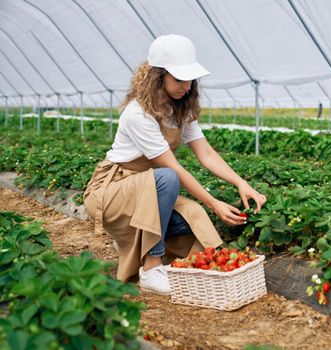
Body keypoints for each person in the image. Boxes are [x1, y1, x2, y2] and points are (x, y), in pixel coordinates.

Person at [83, 34, 267, 295]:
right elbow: (174, 170)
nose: (187, 86)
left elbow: (206, 153)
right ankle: (151, 267)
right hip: (112, 191)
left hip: (147, 190)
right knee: (168, 177)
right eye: (179, 79)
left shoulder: (181, 109)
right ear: (158, 77)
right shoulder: (138, 113)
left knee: (194, 217)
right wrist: (214, 203)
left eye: (190, 79)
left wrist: (241, 183)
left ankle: (133, 241)